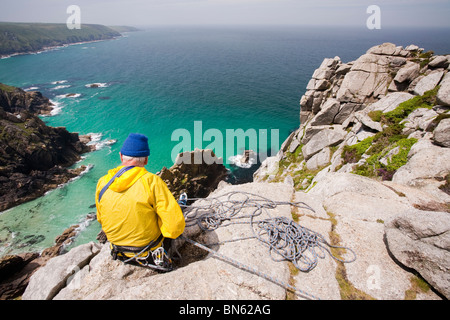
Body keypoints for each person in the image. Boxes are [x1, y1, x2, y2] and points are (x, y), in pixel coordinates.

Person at [95, 133, 185, 270]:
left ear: (120, 156)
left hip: (118, 250)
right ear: (146, 160)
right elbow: (174, 227)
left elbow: (101, 218)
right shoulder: (152, 182)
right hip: (148, 251)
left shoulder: (102, 183)